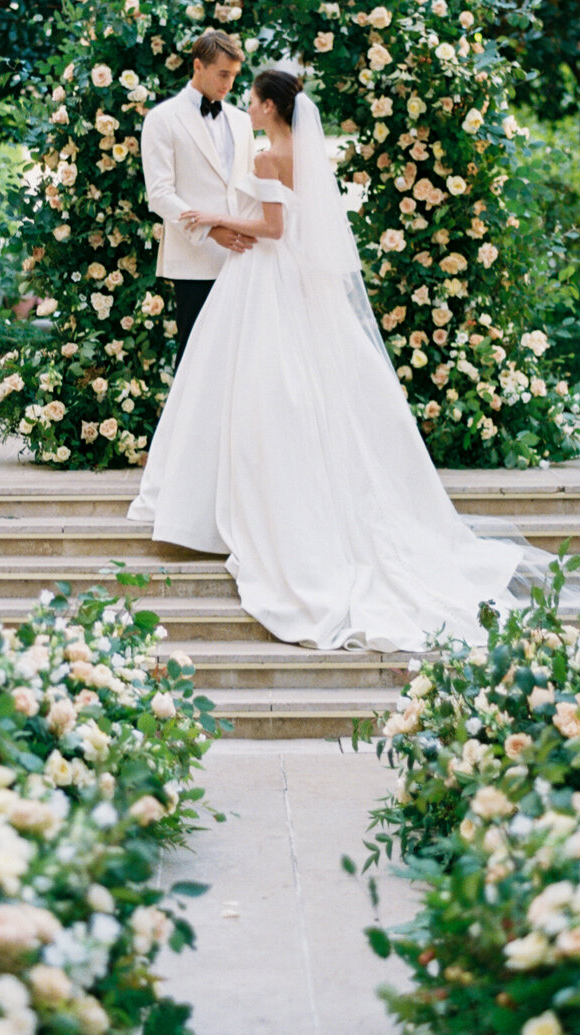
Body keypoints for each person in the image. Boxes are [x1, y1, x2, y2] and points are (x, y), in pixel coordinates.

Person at [127, 67, 521, 653]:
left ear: (266, 106)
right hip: (291, 280)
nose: (247, 105)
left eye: (253, 99)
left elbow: (273, 228)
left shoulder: (266, 157)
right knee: (289, 384)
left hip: (262, 274)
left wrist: (214, 219)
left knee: (253, 386)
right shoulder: (302, 153)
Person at [138, 30, 259, 366]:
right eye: (223, 74)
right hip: (194, 259)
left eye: (234, 75)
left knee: (241, 358)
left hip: (243, 257)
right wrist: (210, 231)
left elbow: (248, 186)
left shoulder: (241, 120)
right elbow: (160, 195)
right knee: (195, 358)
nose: (229, 84)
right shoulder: (162, 119)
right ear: (198, 66)